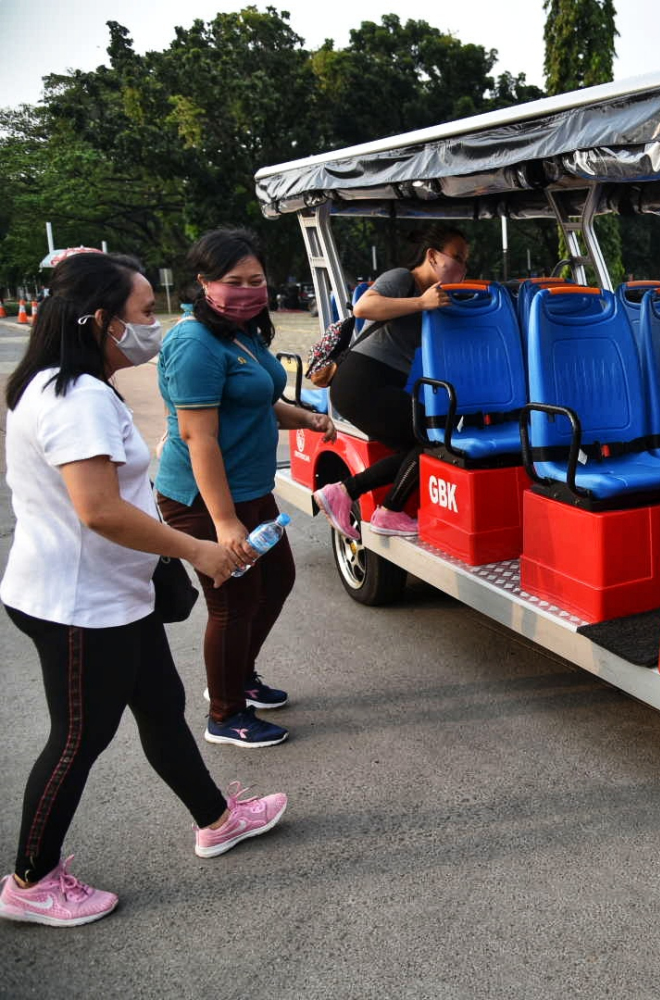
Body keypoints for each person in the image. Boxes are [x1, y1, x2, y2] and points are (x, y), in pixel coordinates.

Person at [0, 253, 289, 928]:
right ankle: (30, 879)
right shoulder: (75, 398)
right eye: (138, 314)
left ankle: (217, 818)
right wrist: (199, 550)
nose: (150, 326)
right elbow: (98, 509)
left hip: (113, 595)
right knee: (79, 737)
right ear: (99, 321)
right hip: (78, 604)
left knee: (161, 705)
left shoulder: (64, 385)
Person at [156, 229, 335, 749]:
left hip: (250, 488)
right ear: (205, 283)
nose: (248, 290)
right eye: (234, 281)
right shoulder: (194, 343)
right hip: (204, 498)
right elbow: (197, 436)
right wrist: (225, 522)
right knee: (233, 602)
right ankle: (226, 713)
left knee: (276, 580)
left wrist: (303, 416)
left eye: (255, 279)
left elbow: (257, 400)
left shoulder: (242, 332)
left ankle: (241, 676)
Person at [313, 225, 469, 540]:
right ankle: (387, 510)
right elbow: (363, 307)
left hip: (378, 382)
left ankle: (345, 494)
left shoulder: (437, 296)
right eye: (458, 257)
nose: (464, 267)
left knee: (419, 446)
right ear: (432, 257)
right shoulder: (403, 279)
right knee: (432, 439)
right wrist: (421, 303)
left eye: (466, 260)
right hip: (362, 380)